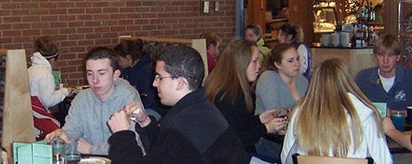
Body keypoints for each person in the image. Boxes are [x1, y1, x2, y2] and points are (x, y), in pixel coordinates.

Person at [106, 45, 246, 164]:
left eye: (159, 77)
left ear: (180, 82)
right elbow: (163, 152)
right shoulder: (199, 107)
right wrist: (145, 122)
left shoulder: (183, 124)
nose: (154, 83)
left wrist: (122, 134)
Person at [280, 58, 393, 164]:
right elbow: (383, 160)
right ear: (348, 80)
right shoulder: (364, 112)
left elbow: (286, 158)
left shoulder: (300, 112)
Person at [44, 46, 143, 155]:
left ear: (115, 75)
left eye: (101, 73)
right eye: (90, 73)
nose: (95, 80)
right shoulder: (81, 99)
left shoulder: (128, 96)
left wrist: (92, 149)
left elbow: (132, 144)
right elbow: (72, 133)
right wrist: (61, 139)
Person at [203, 38, 287, 153]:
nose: (259, 66)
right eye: (255, 61)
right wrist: (266, 128)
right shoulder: (229, 95)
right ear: (241, 63)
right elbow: (235, 141)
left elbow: (238, 123)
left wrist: (259, 119)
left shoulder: (229, 88)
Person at [254, 43, 309, 160]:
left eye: (297, 59)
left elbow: (310, 110)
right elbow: (275, 113)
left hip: (299, 136)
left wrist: (288, 111)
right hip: (272, 140)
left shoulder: (302, 81)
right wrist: (295, 111)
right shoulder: (268, 78)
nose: (297, 64)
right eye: (290, 61)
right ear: (277, 64)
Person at [355, 34, 412, 117]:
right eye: (381, 55)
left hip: (404, 129)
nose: (385, 61)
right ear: (375, 56)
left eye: (390, 55)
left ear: (398, 57)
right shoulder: (363, 77)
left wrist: (391, 113)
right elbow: (353, 109)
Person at [28, 36, 70, 139]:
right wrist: (65, 91)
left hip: (30, 114)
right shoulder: (44, 73)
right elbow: (48, 101)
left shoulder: (31, 70)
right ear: (52, 60)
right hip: (38, 116)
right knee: (66, 116)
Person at [114, 39, 163, 119]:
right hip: (133, 105)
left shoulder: (148, 71)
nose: (118, 63)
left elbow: (149, 99)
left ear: (128, 58)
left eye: (119, 60)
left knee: (129, 120)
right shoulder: (126, 69)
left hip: (152, 108)